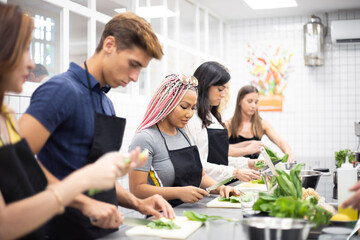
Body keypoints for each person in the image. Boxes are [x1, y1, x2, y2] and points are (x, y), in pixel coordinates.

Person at [18, 11, 174, 239]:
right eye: (133, 64)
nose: (135, 78)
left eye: (141, 69)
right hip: (62, 231)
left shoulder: (106, 102)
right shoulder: (60, 90)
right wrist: (85, 204)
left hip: (104, 232)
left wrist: (138, 203)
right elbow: (18, 160)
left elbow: (103, 180)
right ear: (109, 44)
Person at [129, 74, 240, 207]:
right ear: (166, 103)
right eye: (184, 107)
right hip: (162, 215)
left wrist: (219, 188)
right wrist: (178, 193)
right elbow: (137, 189)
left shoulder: (185, 134)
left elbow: (201, 176)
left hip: (191, 211)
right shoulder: (145, 139)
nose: (190, 114)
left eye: (193, 108)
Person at [186, 61, 261, 183]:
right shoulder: (192, 118)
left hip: (220, 184)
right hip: (205, 186)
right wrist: (235, 172)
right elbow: (198, 164)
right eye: (220, 89)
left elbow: (218, 159)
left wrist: (248, 163)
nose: (223, 95)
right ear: (205, 85)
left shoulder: (211, 117)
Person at [225, 85, 294, 162]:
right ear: (240, 101)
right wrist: (247, 149)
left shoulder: (262, 125)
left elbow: (280, 142)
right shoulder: (229, 125)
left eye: (256, 102)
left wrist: (289, 154)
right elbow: (222, 149)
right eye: (250, 101)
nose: (253, 106)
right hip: (234, 170)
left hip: (254, 171)